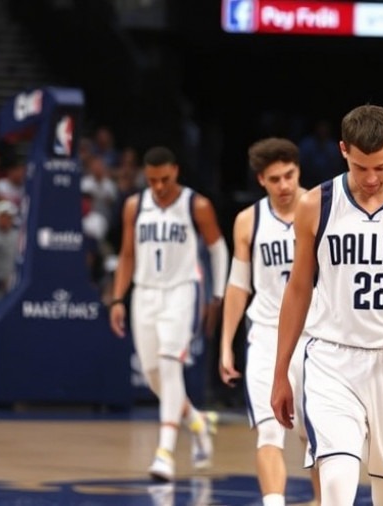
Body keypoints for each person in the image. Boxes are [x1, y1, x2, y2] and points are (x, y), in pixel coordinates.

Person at [270, 104, 383, 506]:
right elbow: (298, 289)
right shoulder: (316, 204)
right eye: (360, 168)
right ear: (342, 151)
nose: (370, 178)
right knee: (336, 487)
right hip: (333, 360)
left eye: (380, 167)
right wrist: (281, 371)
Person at [109, 146, 229, 482]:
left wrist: (217, 294)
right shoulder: (135, 205)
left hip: (181, 291)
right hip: (144, 293)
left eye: (164, 179)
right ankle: (197, 421)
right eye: (151, 180)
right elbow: (127, 254)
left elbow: (219, 249)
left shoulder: (197, 205)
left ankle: (164, 452)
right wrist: (118, 298)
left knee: (169, 364)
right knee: (152, 374)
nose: (158, 186)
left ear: (175, 171)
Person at [219, 137, 320, 506]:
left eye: (290, 175)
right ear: (261, 179)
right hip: (266, 336)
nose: (284, 185)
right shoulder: (248, 221)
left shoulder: (322, 208)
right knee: (269, 432)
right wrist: (226, 343)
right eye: (275, 179)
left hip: (315, 337)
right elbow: (237, 285)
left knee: (317, 437)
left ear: (298, 171)